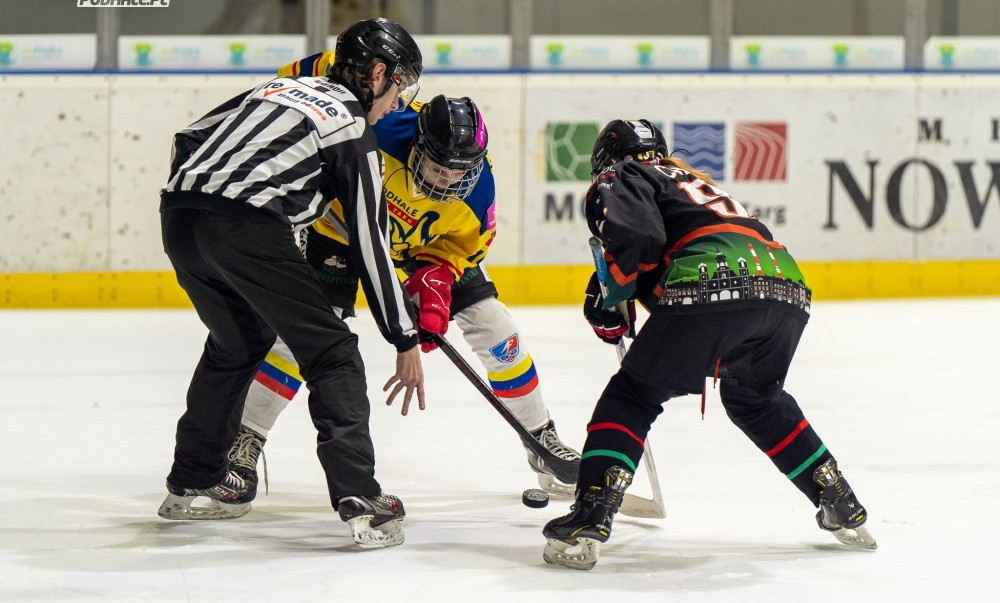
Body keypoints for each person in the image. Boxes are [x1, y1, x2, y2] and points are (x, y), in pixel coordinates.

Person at [541, 119, 876, 570]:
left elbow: (640, 237)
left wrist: (613, 295)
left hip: (713, 279)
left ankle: (591, 514)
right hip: (786, 285)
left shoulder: (620, 175)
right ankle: (837, 498)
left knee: (633, 394)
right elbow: (677, 235)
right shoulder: (690, 180)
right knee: (756, 400)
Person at [227, 79, 581, 502]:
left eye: (459, 173)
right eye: (438, 169)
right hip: (340, 233)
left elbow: (461, 249)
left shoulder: (479, 191)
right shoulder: (377, 131)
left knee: (494, 325)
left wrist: (437, 278)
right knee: (303, 336)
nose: (447, 181)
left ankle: (540, 437)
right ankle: (245, 439)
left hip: (421, 247)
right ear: (417, 146)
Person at [157, 17, 425, 550]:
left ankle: (192, 481)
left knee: (238, 341)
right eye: (399, 86)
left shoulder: (279, 88)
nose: (398, 103)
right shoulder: (351, 126)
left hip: (179, 214)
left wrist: (207, 200)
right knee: (334, 353)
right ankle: (360, 498)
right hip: (245, 225)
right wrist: (403, 335)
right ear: (376, 72)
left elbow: (189, 136)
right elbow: (370, 242)